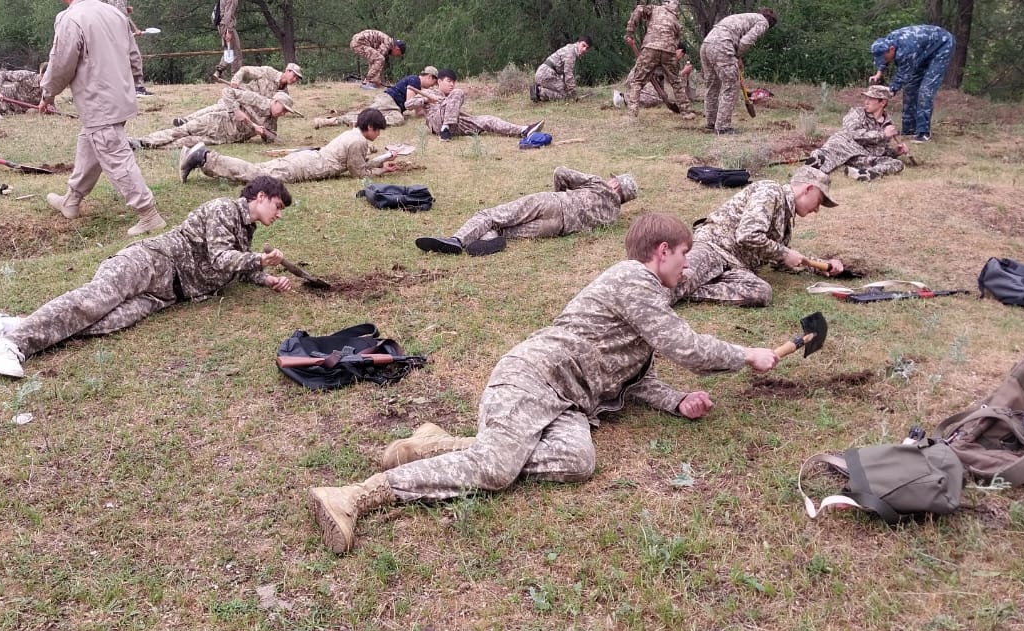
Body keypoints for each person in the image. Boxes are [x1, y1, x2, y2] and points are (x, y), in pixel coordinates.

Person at [307, 212, 782, 554]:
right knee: (496, 468)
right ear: (662, 252)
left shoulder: (647, 296)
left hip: (569, 403)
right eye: (684, 256)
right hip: (532, 379)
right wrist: (745, 354)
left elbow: (634, 372)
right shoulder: (634, 281)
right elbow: (687, 347)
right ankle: (356, 496)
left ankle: (438, 446)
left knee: (577, 461)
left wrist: (677, 401)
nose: (685, 266)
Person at [0, 176, 294, 379]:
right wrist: (259, 259)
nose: (278, 215)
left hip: (168, 293)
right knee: (93, 302)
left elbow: (233, 268)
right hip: (155, 260)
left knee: (105, 322)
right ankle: (14, 344)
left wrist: (266, 277)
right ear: (260, 197)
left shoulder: (245, 228)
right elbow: (220, 258)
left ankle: (7, 323)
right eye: (277, 207)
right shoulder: (225, 209)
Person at [38, 0, 165, 237]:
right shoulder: (113, 13)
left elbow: (60, 65)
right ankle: (72, 201)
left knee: (115, 157)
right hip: (119, 96)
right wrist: (135, 82)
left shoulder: (70, 19)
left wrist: (47, 95)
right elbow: (134, 55)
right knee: (91, 145)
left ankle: (148, 213)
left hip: (98, 101)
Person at [670, 166, 842, 307]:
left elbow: (782, 259)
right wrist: (784, 253)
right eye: (819, 201)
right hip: (713, 248)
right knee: (679, 280)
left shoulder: (785, 218)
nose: (817, 209)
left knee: (761, 292)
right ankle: (650, 301)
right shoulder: (770, 191)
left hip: (737, 267)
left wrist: (820, 266)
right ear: (808, 189)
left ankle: (692, 290)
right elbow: (747, 235)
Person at [415, 168, 638, 257]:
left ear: (616, 185)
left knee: (490, 215)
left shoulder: (600, 185)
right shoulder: (612, 216)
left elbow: (561, 172)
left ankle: (456, 240)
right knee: (503, 229)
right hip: (556, 229)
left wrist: (559, 195)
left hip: (549, 203)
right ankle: (492, 239)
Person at [179, 107, 399, 185]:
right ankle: (205, 157)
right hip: (306, 166)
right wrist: (381, 169)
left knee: (257, 170)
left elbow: (359, 165)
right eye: (377, 130)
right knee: (256, 173)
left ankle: (195, 158)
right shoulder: (358, 141)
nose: (378, 134)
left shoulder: (353, 134)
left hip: (308, 160)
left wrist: (384, 159)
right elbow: (358, 173)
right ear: (369, 126)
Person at [137, 64, 301, 149]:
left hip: (225, 137)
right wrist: (236, 106)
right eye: (284, 109)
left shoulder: (273, 115)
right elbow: (235, 84)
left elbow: (272, 137)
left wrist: (262, 131)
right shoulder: (263, 85)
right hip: (222, 117)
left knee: (187, 142)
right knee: (185, 129)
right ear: (276, 102)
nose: (284, 114)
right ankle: (143, 141)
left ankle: (152, 146)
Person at [869, 24, 955, 142]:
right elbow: (885, 59)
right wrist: (879, 73)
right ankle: (909, 129)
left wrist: (889, 92)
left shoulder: (906, 50)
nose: (883, 61)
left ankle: (923, 133)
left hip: (942, 46)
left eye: (884, 58)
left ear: (892, 49)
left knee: (925, 90)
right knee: (910, 88)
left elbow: (903, 75)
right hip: (922, 51)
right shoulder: (887, 42)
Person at [806, 85, 908, 181]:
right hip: (845, 147)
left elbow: (879, 150)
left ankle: (864, 173)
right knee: (834, 144)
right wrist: (882, 134)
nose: (866, 102)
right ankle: (816, 163)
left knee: (897, 164)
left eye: (871, 99)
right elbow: (852, 133)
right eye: (866, 98)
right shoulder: (856, 113)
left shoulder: (888, 124)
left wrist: (895, 152)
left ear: (883, 102)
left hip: (861, 156)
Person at [700, 9, 776, 134]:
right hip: (722, 45)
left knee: (712, 85)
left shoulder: (746, 16)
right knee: (731, 85)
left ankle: (711, 122)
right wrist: (737, 56)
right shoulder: (763, 22)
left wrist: (736, 56)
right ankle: (723, 127)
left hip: (707, 44)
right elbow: (746, 41)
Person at [426, 68, 542, 142]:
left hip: (454, 123)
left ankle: (523, 130)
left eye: (453, 82)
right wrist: (426, 99)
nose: (452, 84)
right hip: (436, 122)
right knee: (459, 92)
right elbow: (408, 104)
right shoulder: (429, 92)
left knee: (487, 119)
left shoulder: (451, 96)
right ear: (439, 81)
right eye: (449, 81)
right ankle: (445, 129)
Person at [314, 66, 435, 129]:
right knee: (366, 115)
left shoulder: (417, 85)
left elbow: (418, 113)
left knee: (398, 119)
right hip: (388, 100)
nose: (431, 86)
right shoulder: (415, 80)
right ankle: (328, 121)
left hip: (393, 107)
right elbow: (409, 104)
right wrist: (424, 99)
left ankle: (357, 122)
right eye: (433, 83)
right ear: (429, 77)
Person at [623, 0, 684, 117]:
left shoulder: (654, 9)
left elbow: (639, 8)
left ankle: (632, 113)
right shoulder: (675, 19)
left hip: (650, 49)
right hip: (668, 51)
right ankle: (686, 112)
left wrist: (630, 30)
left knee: (638, 82)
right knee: (676, 82)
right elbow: (677, 37)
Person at [107, 0, 153, 97]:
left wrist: (127, 9)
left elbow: (116, 10)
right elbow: (122, 16)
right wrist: (135, 29)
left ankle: (131, 87)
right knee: (135, 57)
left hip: (118, 31)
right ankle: (138, 88)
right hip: (121, 31)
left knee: (125, 59)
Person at [618, 43, 695, 116]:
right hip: (639, 77)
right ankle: (623, 98)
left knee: (661, 96)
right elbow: (672, 78)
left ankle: (633, 94)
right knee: (655, 99)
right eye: (682, 55)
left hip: (649, 78)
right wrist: (684, 71)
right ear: (680, 51)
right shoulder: (667, 56)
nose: (681, 58)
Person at [531, 37, 591, 102]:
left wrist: (569, 88)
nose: (584, 49)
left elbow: (565, 75)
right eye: (583, 45)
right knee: (565, 96)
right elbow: (568, 74)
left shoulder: (570, 48)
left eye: (587, 48)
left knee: (566, 91)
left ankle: (542, 89)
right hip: (546, 74)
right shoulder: (571, 53)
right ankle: (539, 92)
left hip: (545, 72)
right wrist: (573, 93)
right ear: (578, 43)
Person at [213, 0, 244, 81]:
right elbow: (228, 14)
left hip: (222, 26)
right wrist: (229, 31)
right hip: (227, 26)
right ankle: (235, 79)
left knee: (229, 50)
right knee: (236, 53)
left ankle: (218, 71)